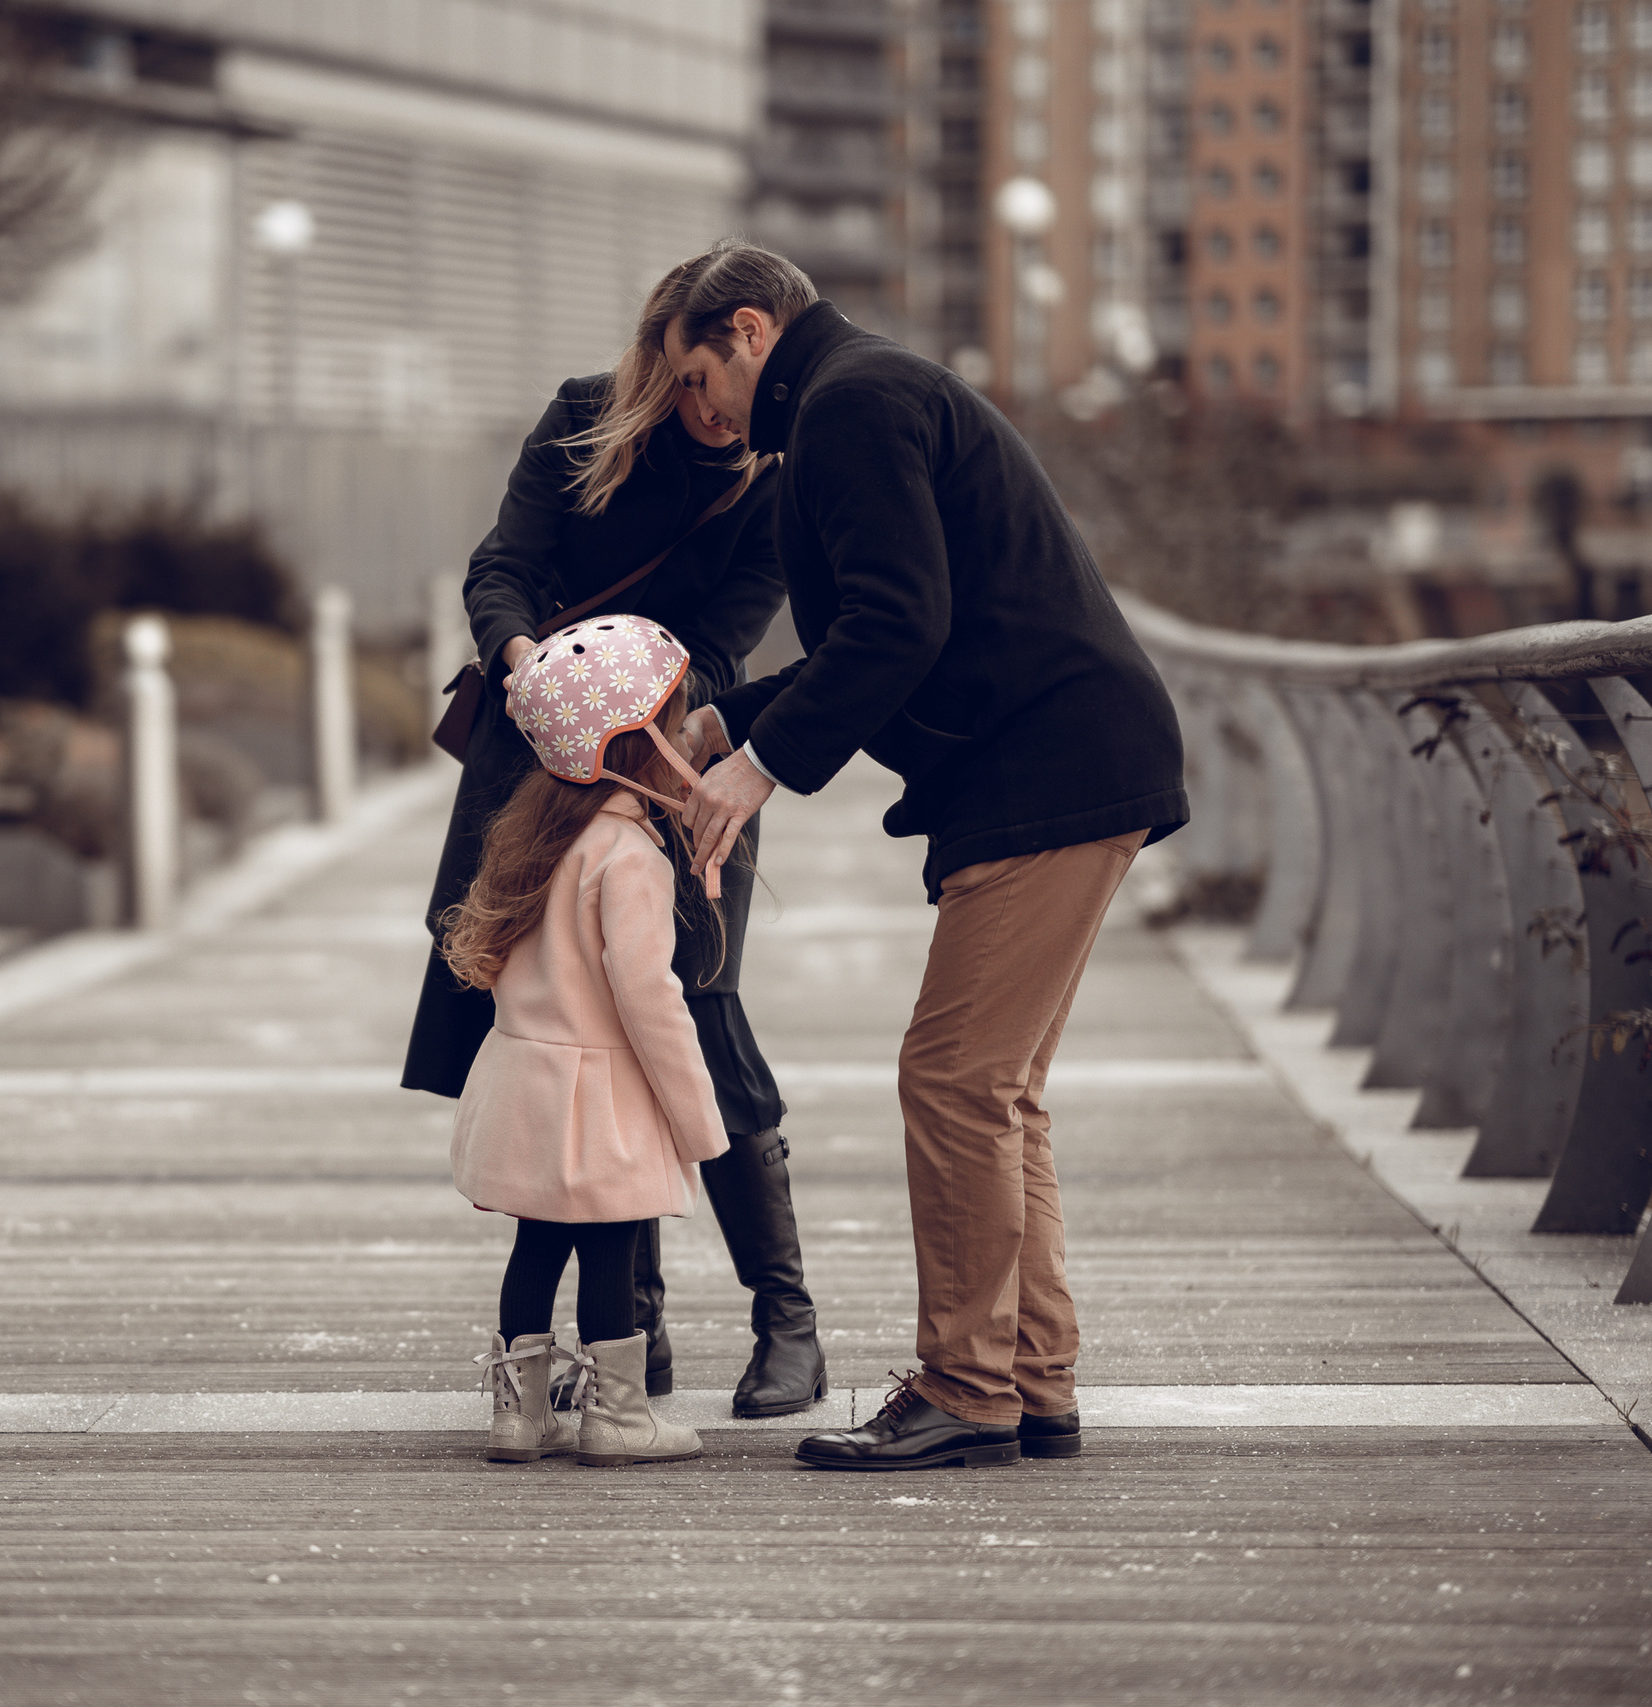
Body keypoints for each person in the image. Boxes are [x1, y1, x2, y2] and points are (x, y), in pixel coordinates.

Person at [663, 242, 1189, 1471]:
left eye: (697, 382)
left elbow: (900, 624)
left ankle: (964, 1387)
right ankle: (1029, 1380)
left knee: (952, 1080)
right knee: (995, 1091)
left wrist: (759, 768)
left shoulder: (849, 400)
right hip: (1069, 755)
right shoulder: (865, 395)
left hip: (1047, 767)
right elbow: (887, 625)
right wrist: (728, 718)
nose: (700, 416)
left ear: (749, 331)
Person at [402, 259, 828, 1419]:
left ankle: (784, 1316)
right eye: (684, 382)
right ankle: (629, 1333)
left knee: (697, 1002)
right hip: (529, 755)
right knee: (555, 1012)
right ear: (659, 362)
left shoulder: (779, 471)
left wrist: (637, 702)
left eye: (713, 382)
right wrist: (524, 659)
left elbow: (733, 639)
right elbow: (502, 569)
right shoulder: (585, 418)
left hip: (671, 751)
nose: (708, 407)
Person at [444, 616, 731, 1466]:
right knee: (613, 1248)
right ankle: (617, 1416)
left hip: (525, 1086)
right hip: (601, 1100)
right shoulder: (629, 853)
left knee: (535, 1246)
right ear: (633, 745)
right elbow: (649, 998)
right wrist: (697, 1118)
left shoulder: (535, 837)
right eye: (672, 721)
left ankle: (516, 1415)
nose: (683, 737)